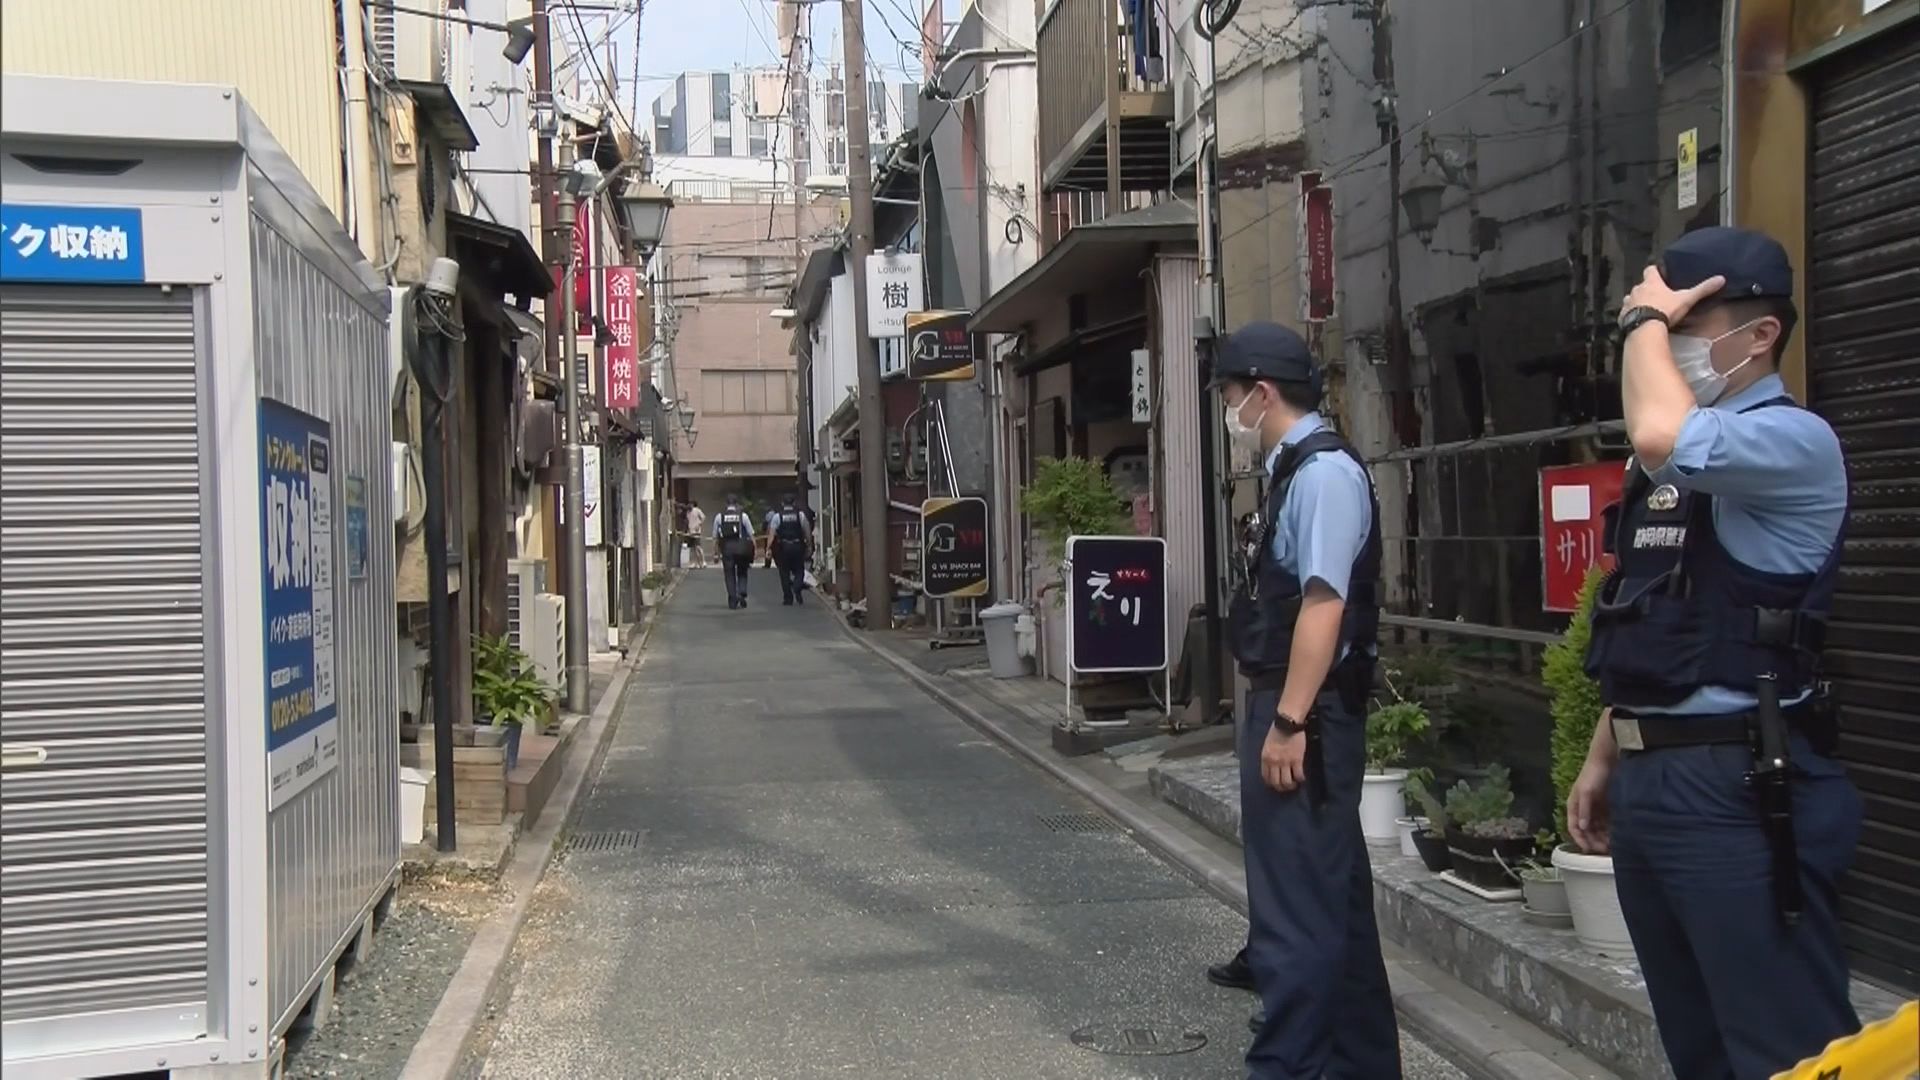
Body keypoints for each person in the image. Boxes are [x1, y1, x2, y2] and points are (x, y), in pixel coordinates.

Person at [1569, 227, 1860, 1080]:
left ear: (1759, 334)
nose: (1662, 336)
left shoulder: (1793, 442)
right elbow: (1653, 613)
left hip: (1741, 783)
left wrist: (1638, 326)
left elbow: (1663, 431)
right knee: (1696, 1046)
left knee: (1786, 1050)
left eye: (1683, 320)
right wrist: (1606, 749)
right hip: (1659, 778)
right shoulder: (1666, 466)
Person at [1211, 321, 1400, 1079]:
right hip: (1299, 709)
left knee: (1294, 919)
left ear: (1261, 393)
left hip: (1306, 717)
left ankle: (1287, 1068)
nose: (1229, 411)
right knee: (1335, 907)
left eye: (1230, 394)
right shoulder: (1296, 470)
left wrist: (1288, 720)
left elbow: (1325, 606)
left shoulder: (1321, 476)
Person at [765, 494, 812, 605]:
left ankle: (788, 598)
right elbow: (807, 531)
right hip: (797, 546)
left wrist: (768, 548)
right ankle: (797, 587)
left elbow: (771, 534)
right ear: (794, 503)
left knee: (784, 573)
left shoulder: (777, 516)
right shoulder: (800, 515)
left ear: (782, 504)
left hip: (783, 547)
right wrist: (809, 545)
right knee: (799, 570)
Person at [712, 495, 755, 609]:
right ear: (736, 505)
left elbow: (715, 538)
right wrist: (753, 550)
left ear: (726, 505)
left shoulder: (719, 517)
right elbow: (751, 534)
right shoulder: (743, 516)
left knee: (729, 574)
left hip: (727, 549)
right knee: (742, 571)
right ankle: (741, 591)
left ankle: (732, 598)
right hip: (741, 548)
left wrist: (716, 553)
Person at [684, 501, 707, 568]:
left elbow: (703, 517)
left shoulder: (697, 510)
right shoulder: (688, 512)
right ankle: (694, 563)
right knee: (692, 548)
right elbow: (688, 521)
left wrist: (698, 524)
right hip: (690, 532)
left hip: (696, 532)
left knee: (698, 547)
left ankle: (703, 562)